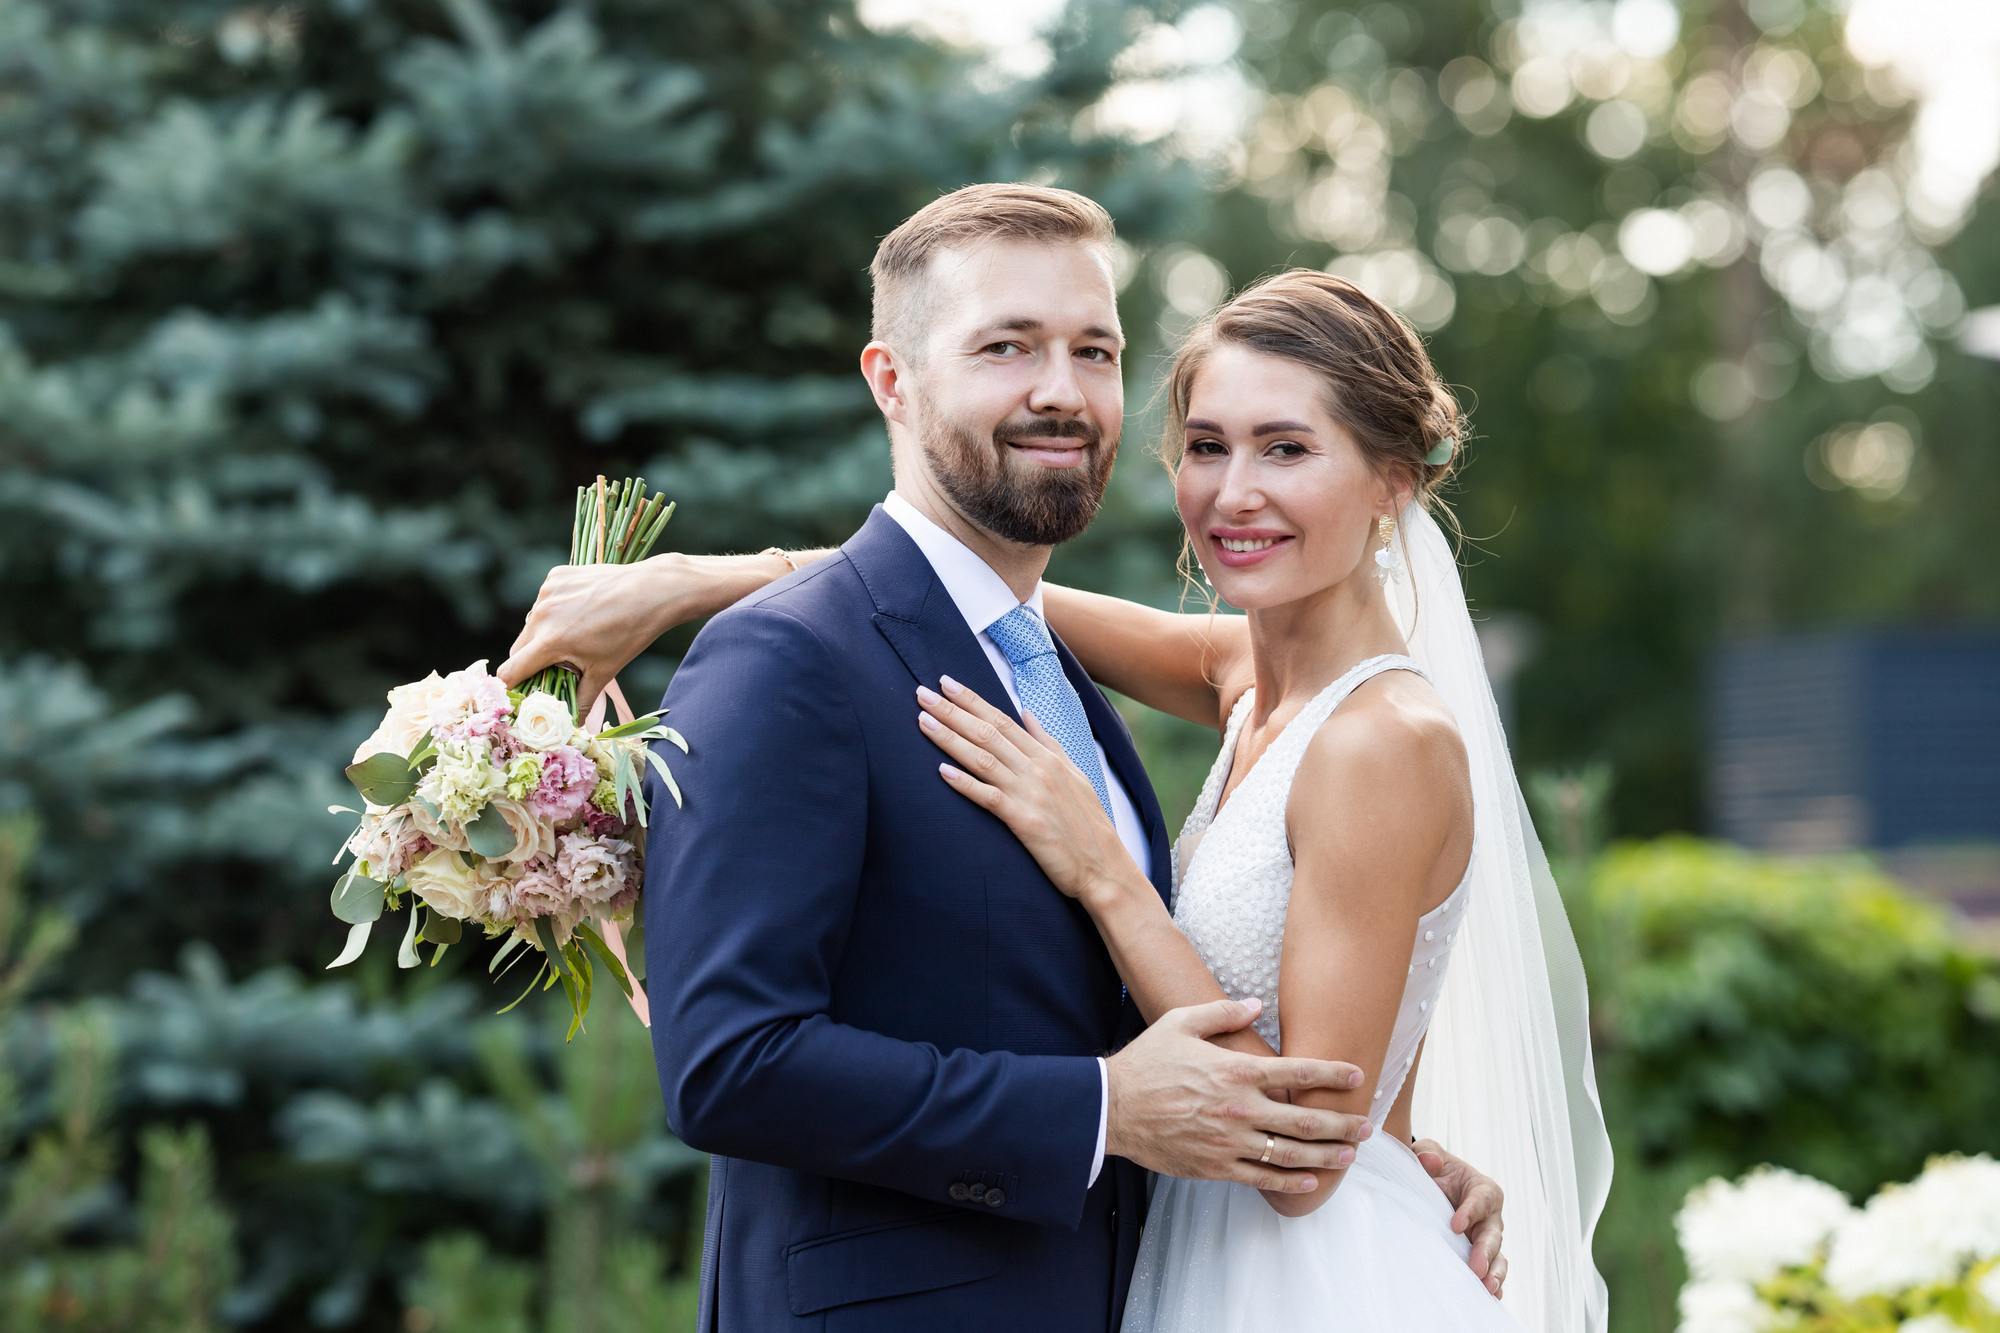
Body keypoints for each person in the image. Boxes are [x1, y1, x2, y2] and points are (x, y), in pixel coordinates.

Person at [499, 185, 1530, 1332]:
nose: (1060, 388)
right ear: (891, 380)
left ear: (1393, 478)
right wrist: (703, 581)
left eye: (1093, 350)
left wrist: (1381, 1162)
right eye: (1007, 346)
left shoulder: (1299, 713)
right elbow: (729, 1065)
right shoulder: (802, 662)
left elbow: (1273, 1089)